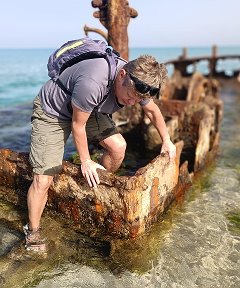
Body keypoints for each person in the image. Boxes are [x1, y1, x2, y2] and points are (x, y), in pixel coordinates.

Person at [24, 53, 176, 252]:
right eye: (129, 96)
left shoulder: (139, 83)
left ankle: (90, 188)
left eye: (137, 99)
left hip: (90, 108)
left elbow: (152, 111)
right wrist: (85, 161)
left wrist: (167, 140)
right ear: (122, 75)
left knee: (118, 148)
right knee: (43, 179)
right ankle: (32, 232)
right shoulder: (93, 82)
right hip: (54, 111)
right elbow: (78, 126)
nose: (131, 103)